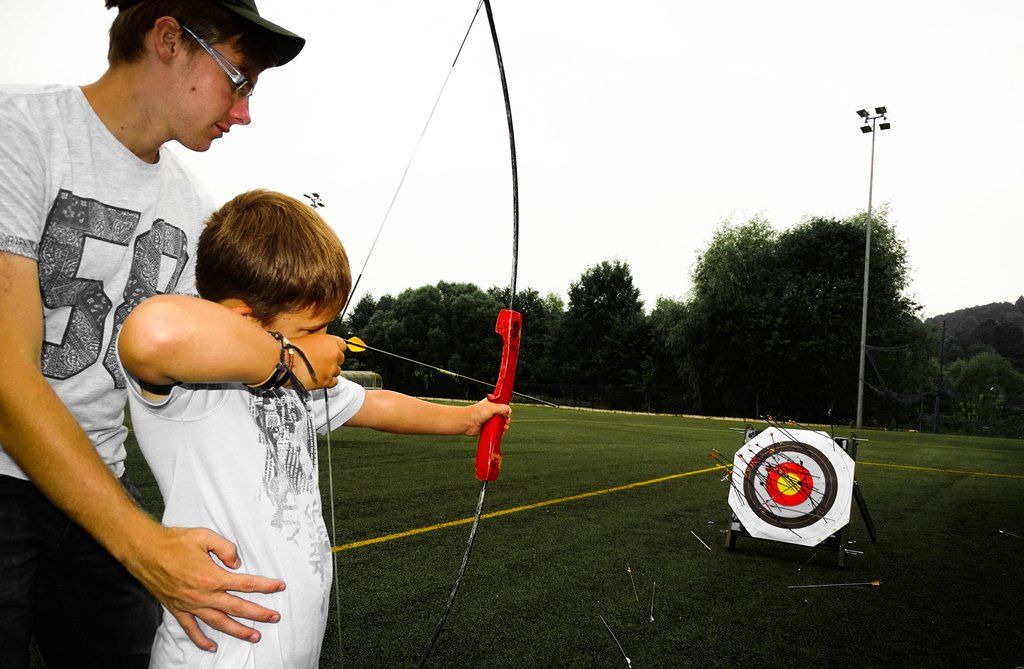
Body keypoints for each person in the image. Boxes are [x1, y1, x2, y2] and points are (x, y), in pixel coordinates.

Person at [0, 1, 329, 666]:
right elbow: (6, 374)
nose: (244, 112)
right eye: (239, 81)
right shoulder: (19, 128)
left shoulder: (194, 207)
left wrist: (295, 343)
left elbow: (219, 358)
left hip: (95, 478)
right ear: (170, 39)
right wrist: (144, 546)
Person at [116, 189, 511, 667]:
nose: (328, 342)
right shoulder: (193, 390)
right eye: (312, 329)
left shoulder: (295, 385)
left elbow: (375, 404)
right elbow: (152, 333)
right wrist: (287, 357)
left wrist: (466, 420)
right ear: (244, 317)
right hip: (216, 654)